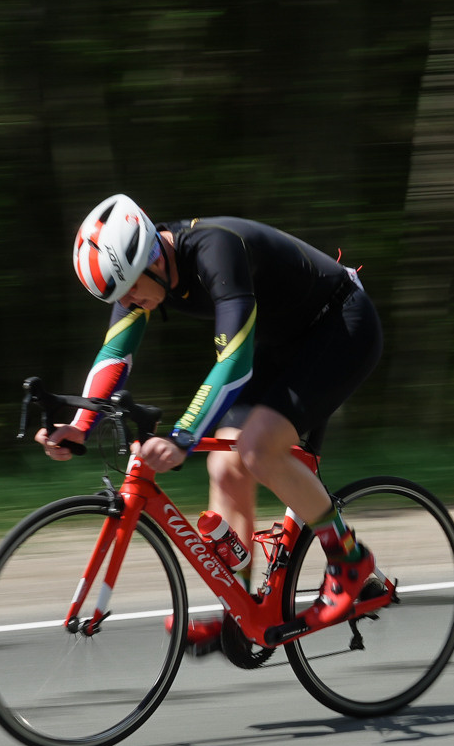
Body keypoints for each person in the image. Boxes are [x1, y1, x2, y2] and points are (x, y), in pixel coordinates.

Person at [46, 194, 387, 651]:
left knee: (257, 449)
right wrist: (79, 425)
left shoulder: (215, 249)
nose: (128, 302)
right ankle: (243, 610)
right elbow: (115, 353)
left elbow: (234, 361)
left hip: (342, 325)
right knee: (224, 466)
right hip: (285, 340)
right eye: (117, 295)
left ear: (151, 256)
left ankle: (349, 558)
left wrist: (184, 435)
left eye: (129, 289)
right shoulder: (144, 271)